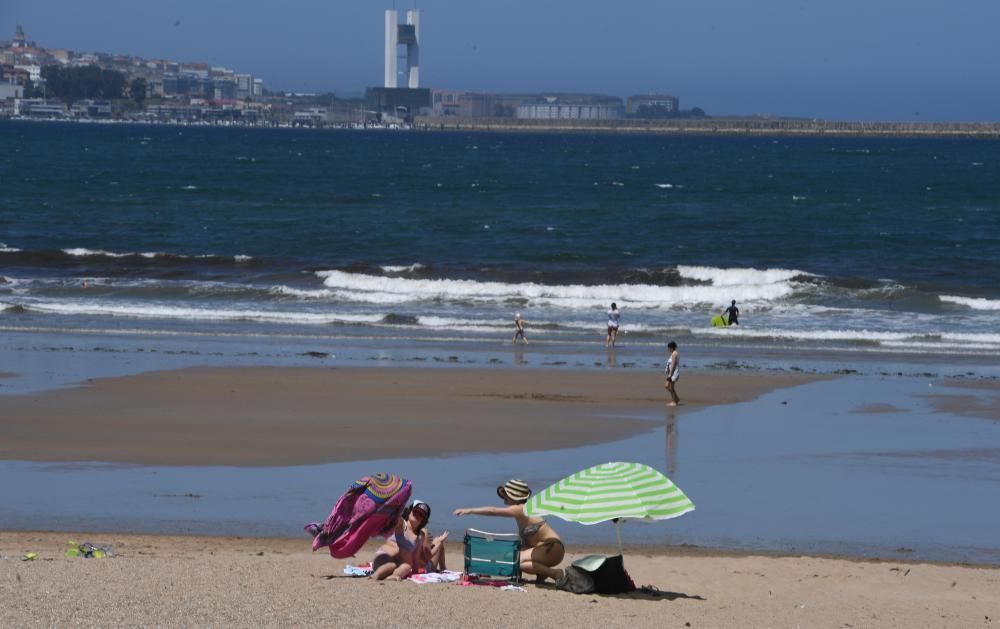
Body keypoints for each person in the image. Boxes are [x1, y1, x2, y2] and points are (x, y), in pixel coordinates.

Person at [454, 479, 565, 583]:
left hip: (552, 548)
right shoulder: (522, 511)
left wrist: (470, 510)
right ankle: (542, 573)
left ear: (514, 496)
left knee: (517, 561)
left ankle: (554, 573)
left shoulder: (521, 509)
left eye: (506, 495)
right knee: (510, 556)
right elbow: (529, 541)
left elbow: (493, 511)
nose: (504, 498)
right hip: (546, 549)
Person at [371, 500, 445, 580]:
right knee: (391, 565)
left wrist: (416, 572)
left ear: (423, 520)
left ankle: (393, 576)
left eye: (420, 515)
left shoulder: (420, 536)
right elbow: (396, 518)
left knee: (407, 566)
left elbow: (416, 558)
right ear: (409, 512)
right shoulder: (402, 525)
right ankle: (376, 575)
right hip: (384, 557)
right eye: (415, 511)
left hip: (398, 564)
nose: (417, 514)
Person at [664, 341, 680, 406]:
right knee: (667, 386)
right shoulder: (673, 353)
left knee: (670, 387)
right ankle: (676, 399)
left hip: (673, 373)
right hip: (672, 373)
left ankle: (674, 402)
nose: (668, 349)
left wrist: (670, 374)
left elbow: (673, 364)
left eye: (668, 348)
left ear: (671, 347)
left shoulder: (674, 354)